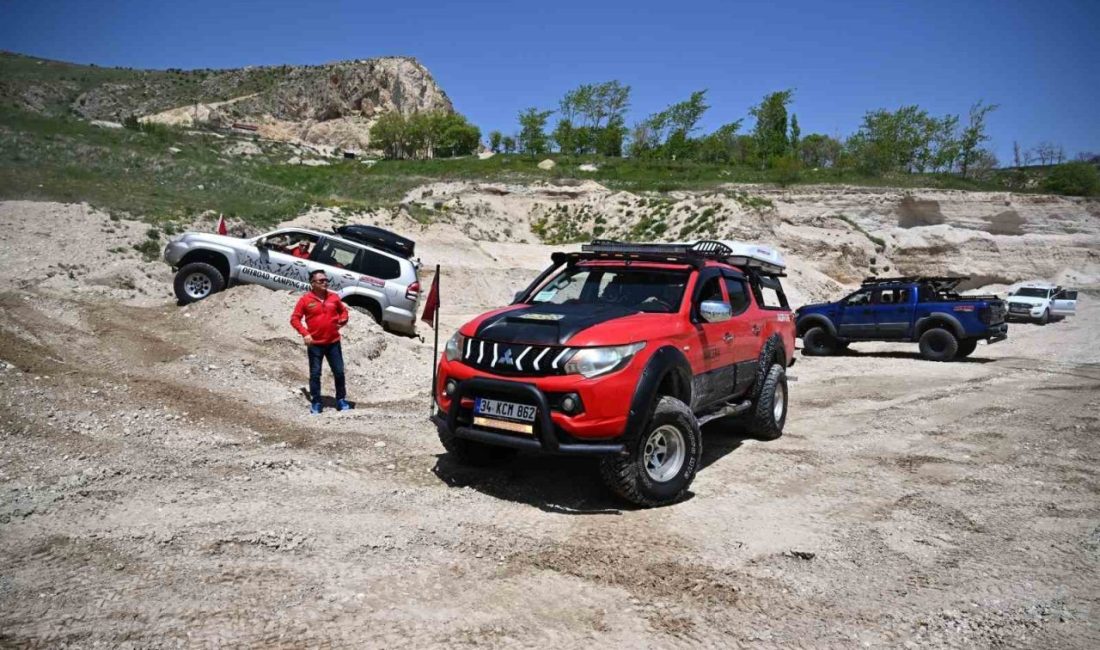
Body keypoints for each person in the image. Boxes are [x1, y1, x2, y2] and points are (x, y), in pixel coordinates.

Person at [290, 270, 350, 414]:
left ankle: (341, 400)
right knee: (315, 374)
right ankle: (316, 402)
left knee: (339, 372)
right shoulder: (305, 300)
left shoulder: (334, 298)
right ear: (312, 283)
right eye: (321, 281)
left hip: (333, 343)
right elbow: (294, 319)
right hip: (315, 344)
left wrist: (342, 320)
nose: (325, 283)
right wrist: (305, 333)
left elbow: (344, 312)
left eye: (326, 280)